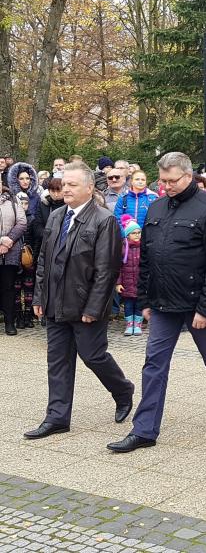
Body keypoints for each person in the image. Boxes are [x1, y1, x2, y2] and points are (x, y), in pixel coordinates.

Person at [107, 152, 206, 453]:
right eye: (163, 180)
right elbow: (148, 260)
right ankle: (144, 430)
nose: (166, 186)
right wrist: (145, 301)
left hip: (197, 305)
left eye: (172, 180)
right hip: (163, 303)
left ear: (188, 176)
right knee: (154, 364)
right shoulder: (156, 207)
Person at [25, 162, 135, 439]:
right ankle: (57, 417)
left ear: (89, 188)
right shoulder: (56, 216)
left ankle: (122, 389)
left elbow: (106, 270)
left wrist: (94, 307)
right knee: (58, 360)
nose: (67, 188)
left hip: (85, 305)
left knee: (93, 356)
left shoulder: (103, 219)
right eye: (64, 183)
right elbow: (43, 260)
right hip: (55, 303)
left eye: (73, 184)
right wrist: (39, 296)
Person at [0, 184, 26, 335]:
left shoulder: (13, 201)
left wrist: (8, 240)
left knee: (8, 288)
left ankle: (10, 322)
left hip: (10, 252)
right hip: (3, 245)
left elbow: (22, 222)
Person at [13, 192, 36, 329]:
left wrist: (33, 254)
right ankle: (18, 315)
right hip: (15, 257)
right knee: (16, 288)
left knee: (29, 287)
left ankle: (28, 314)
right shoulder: (13, 219)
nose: (23, 205)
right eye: (20, 203)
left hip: (28, 257)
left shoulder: (32, 218)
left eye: (26, 203)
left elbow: (35, 238)